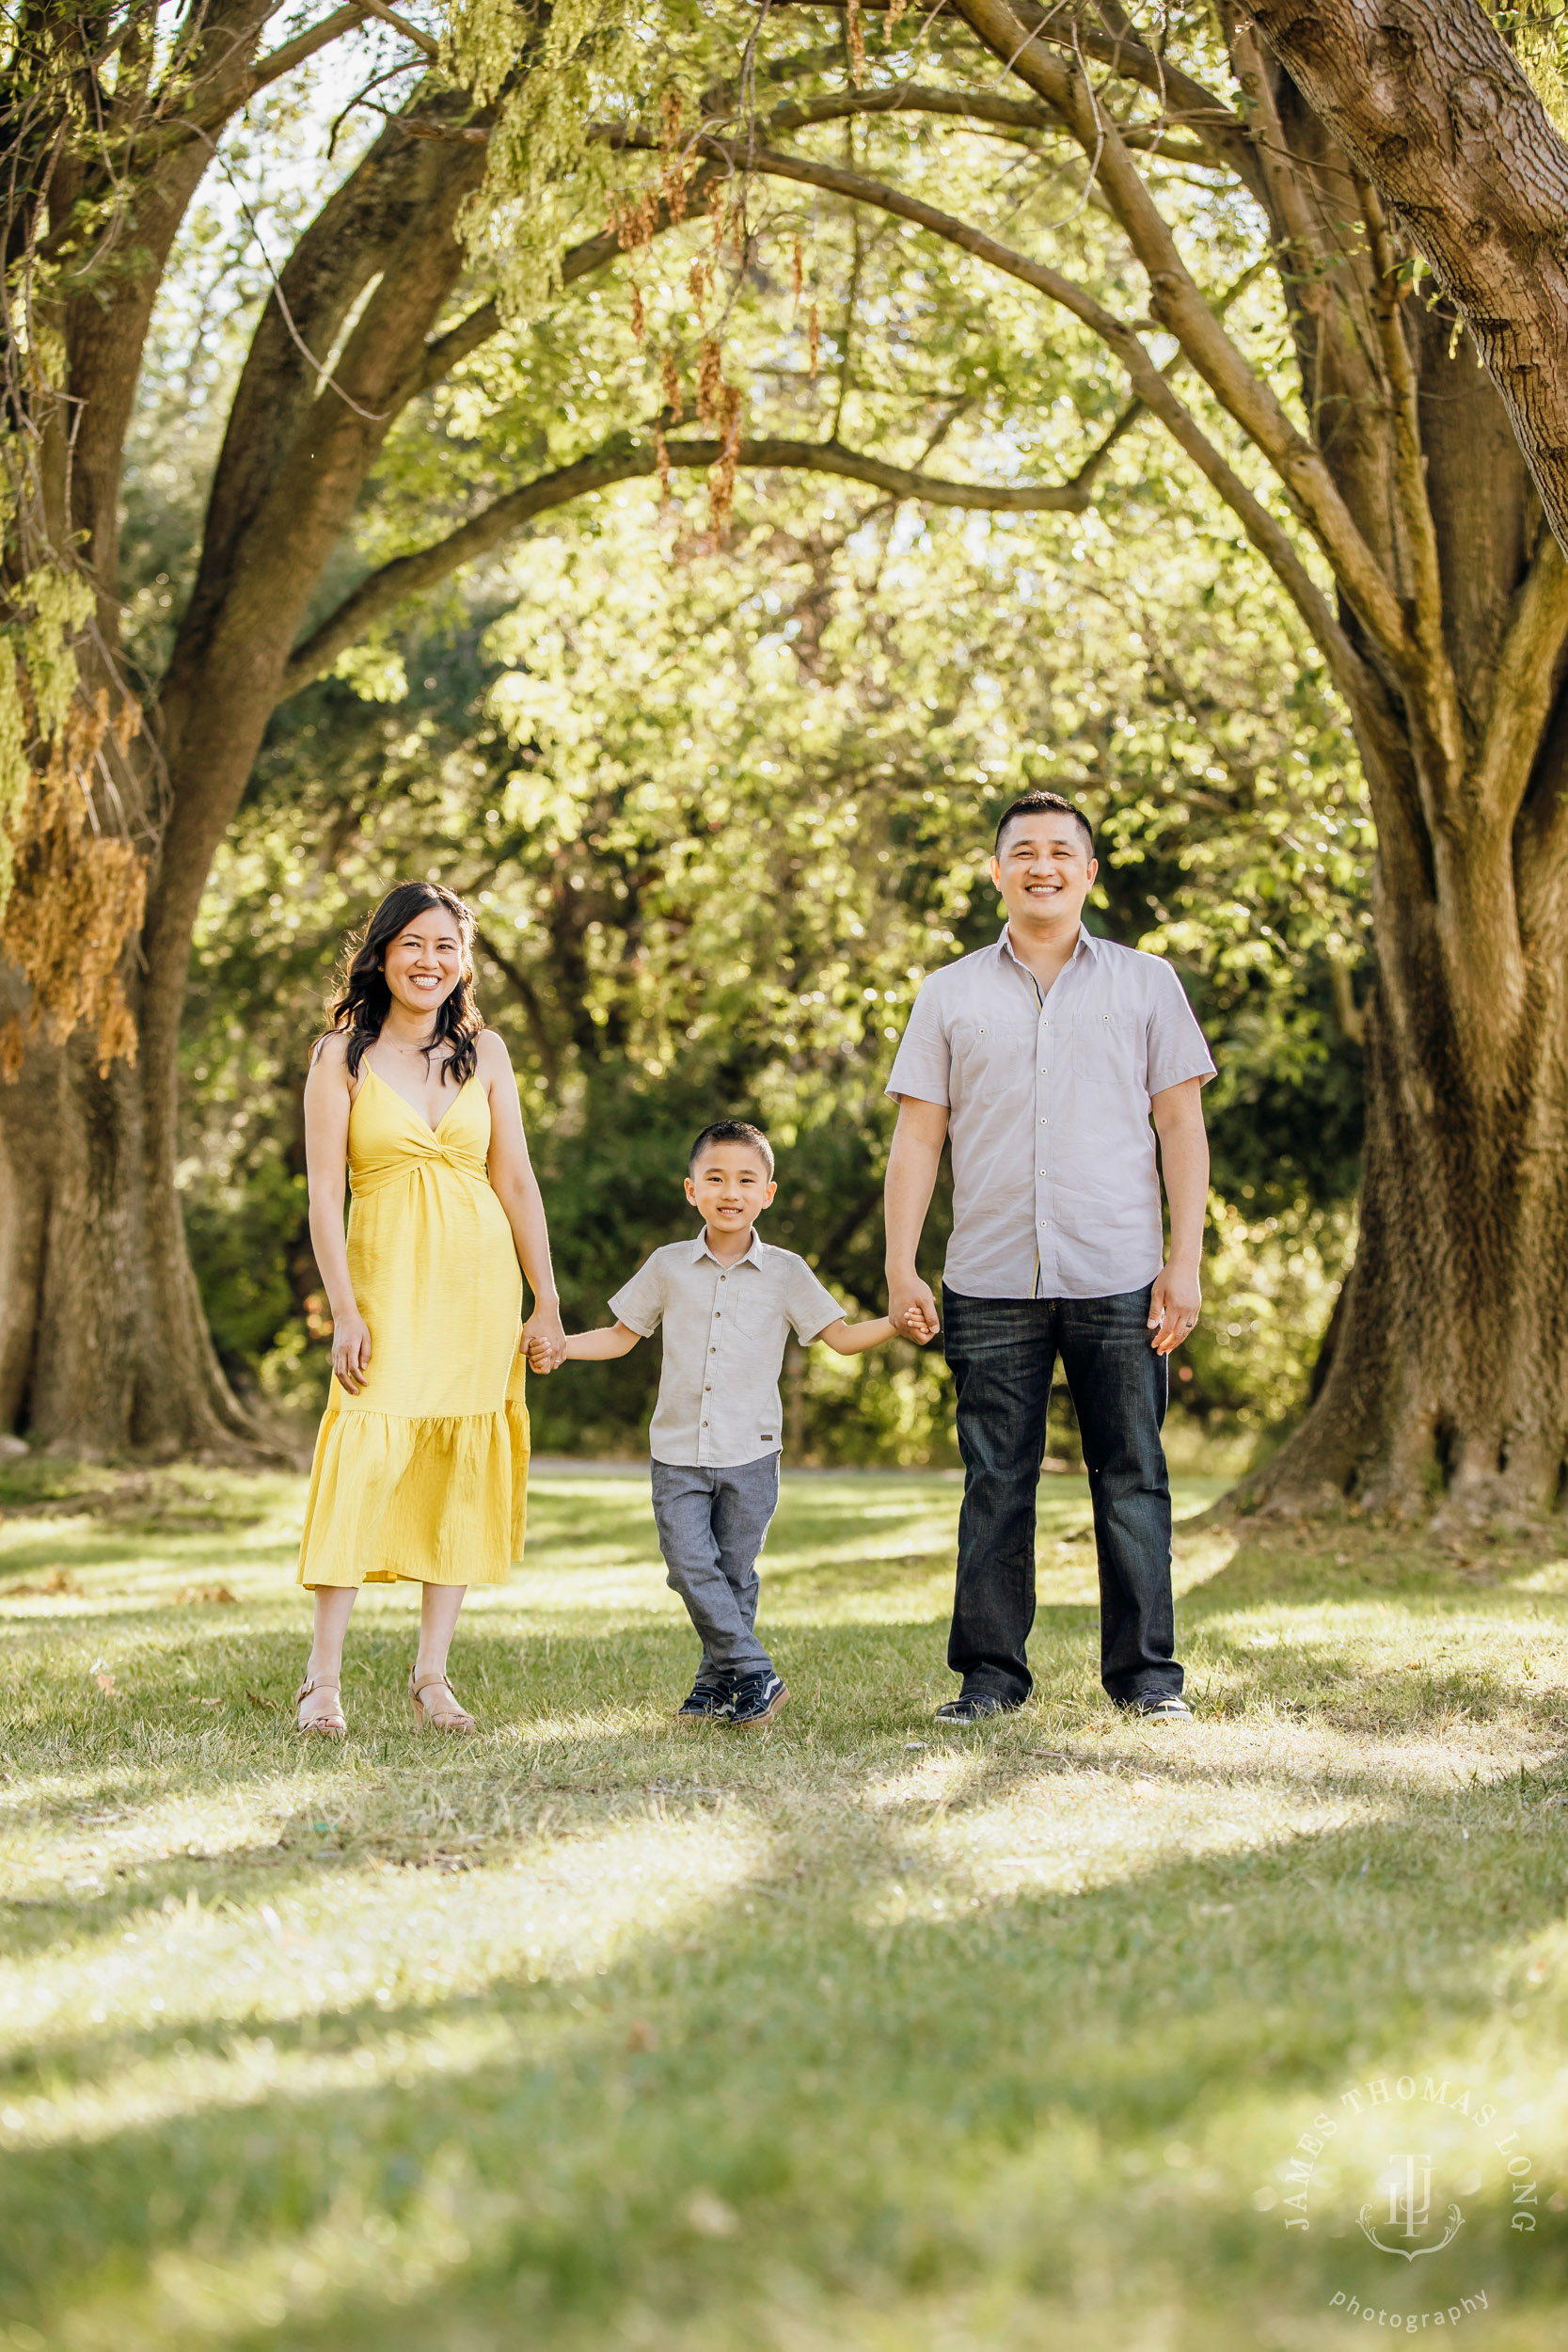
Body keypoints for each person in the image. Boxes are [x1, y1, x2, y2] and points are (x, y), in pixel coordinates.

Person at [884, 790, 1214, 1724]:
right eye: (1021, 851)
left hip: (1119, 1272)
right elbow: (917, 1139)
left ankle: (1147, 1677)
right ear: (996, 871)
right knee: (995, 1482)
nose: (1041, 864)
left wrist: (1180, 1261)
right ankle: (988, 1676)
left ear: (1087, 872)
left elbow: (1180, 1127)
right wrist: (900, 1265)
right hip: (987, 1279)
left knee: (1131, 1476)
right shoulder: (948, 991)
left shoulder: (1146, 983)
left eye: (1059, 852)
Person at [529, 1120, 935, 1725]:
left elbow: (843, 1339)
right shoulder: (667, 1266)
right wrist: (559, 1344)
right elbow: (620, 1337)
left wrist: (896, 1324)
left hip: (752, 1453)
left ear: (767, 1194)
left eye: (746, 1180)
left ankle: (713, 1688)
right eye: (715, 1178)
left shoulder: (788, 1272)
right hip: (677, 1452)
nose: (730, 1191)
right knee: (690, 1566)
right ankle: (755, 1672)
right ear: (691, 1189)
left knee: (735, 1574)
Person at [293, 882, 565, 1737]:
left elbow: (515, 1180)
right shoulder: (339, 1056)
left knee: (456, 1467)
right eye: (413, 943)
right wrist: (345, 1310)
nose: (430, 961)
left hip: (479, 1290)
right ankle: (322, 1681)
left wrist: (546, 1298)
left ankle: (432, 1676)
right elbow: (322, 1199)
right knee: (363, 1461)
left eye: (446, 946)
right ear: (381, 953)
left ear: (463, 962)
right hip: (384, 1287)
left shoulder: (485, 1053)